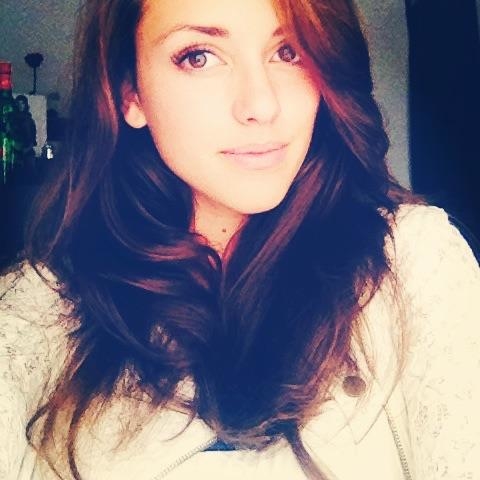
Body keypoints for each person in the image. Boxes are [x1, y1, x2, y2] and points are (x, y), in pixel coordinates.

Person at [0, 0, 479, 479]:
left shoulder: (412, 261)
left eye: (289, 51)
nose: (261, 105)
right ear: (131, 93)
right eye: (200, 56)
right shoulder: (40, 310)